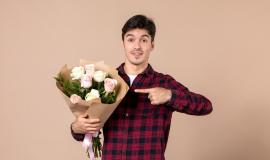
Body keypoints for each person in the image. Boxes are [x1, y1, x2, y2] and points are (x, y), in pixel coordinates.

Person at [71, 14, 213, 160]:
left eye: (144, 40)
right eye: (131, 39)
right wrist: (76, 127)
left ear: (152, 45)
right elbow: (86, 128)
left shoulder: (164, 83)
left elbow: (205, 106)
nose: (137, 46)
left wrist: (170, 96)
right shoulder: (104, 81)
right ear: (123, 43)